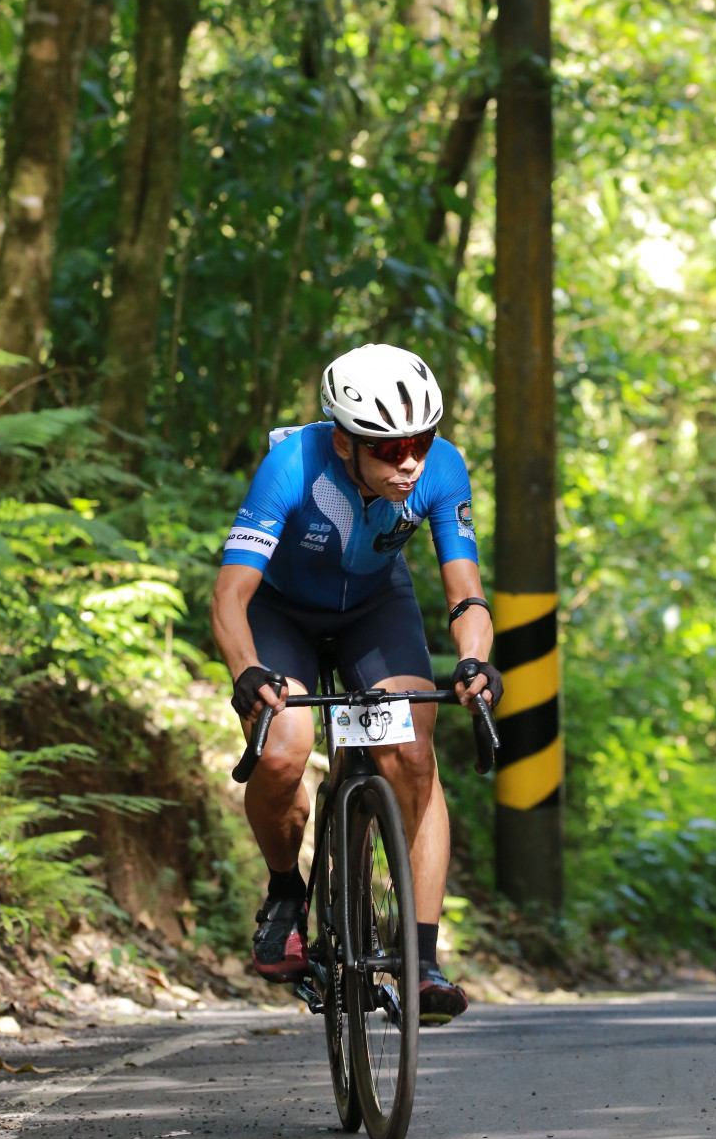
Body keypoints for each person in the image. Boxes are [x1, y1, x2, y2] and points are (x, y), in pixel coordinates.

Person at [209, 343, 501, 1024]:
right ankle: (287, 892)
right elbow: (230, 594)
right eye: (391, 449)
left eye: (421, 443)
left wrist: (473, 660)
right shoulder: (292, 464)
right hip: (282, 612)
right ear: (345, 442)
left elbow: (466, 594)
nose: (410, 464)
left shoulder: (442, 468)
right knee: (283, 749)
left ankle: (421, 960)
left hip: (374, 607)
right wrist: (246, 670)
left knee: (414, 754)